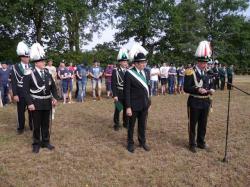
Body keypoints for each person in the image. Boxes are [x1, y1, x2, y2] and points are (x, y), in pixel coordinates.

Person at [23, 43, 58, 153]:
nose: (44, 63)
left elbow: (53, 86)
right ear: (37, 63)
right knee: (36, 124)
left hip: (47, 102)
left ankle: (46, 141)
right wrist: (29, 103)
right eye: (42, 61)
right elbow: (25, 90)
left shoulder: (47, 73)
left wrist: (55, 97)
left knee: (46, 124)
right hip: (36, 102)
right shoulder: (29, 73)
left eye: (44, 61)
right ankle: (36, 143)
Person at [184, 40, 215, 153]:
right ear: (198, 62)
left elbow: (211, 84)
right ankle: (192, 143)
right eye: (202, 63)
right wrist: (197, 89)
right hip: (194, 101)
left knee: (203, 124)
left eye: (206, 63)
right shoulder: (190, 72)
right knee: (193, 123)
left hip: (206, 101)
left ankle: (201, 142)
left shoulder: (208, 72)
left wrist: (212, 89)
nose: (204, 65)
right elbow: (186, 88)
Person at [124, 43, 151, 153]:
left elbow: (147, 89)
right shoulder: (129, 73)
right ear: (136, 63)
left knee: (142, 124)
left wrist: (149, 103)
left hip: (144, 104)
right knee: (131, 126)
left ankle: (142, 141)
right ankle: (130, 143)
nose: (144, 64)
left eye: (145, 62)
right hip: (133, 105)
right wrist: (128, 107)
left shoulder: (146, 72)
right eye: (142, 63)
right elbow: (127, 91)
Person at [11, 41, 33, 134]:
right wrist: (15, 94)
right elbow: (14, 82)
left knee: (31, 111)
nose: (28, 58)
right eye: (26, 56)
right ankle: (21, 127)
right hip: (20, 92)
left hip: (30, 92)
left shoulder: (31, 66)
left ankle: (32, 125)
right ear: (21, 57)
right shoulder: (15, 67)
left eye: (28, 56)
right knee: (20, 111)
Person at [111, 48, 129, 131]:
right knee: (118, 109)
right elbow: (113, 84)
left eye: (126, 61)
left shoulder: (128, 71)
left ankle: (126, 123)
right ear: (120, 62)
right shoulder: (115, 71)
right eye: (124, 62)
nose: (126, 63)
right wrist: (115, 95)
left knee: (126, 108)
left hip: (127, 93)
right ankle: (116, 124)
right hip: (119, 93)